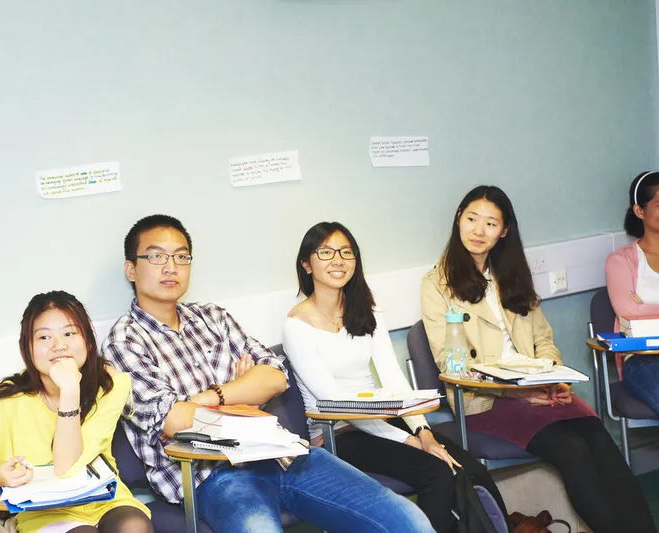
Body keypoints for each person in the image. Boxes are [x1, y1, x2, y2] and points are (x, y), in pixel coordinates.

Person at [102, 214, 433, 533]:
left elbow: (275, 376)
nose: (171, 267)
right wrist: (243, 394)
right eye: (156, 256)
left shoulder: (212, 317)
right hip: (213, 476)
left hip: (285, 455)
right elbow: (172, 420)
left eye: (181, 256)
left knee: (408, 520)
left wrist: (210, 397)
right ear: (131, 269)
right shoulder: (124, 341)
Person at [421, 185, 655, 533]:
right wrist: (516, 391)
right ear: (459, 220)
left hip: (536, 388)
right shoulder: (436, 284)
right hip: (485, 401)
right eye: (471, 219)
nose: (478, 230)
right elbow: (450, 364)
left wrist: (552, 377)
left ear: (504, 231)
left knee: (599, 438)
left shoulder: (511, 275)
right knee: (572, 448)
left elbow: (544, 340)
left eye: (490, 223)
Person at [282, 221, 508, 533]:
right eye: (326, 252)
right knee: (436, 473)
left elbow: (393, 379)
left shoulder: (367, 310)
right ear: (307, 264)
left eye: (346, 252)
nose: (338, 260)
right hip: (337, 435)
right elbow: (337, 404)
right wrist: (408, 440)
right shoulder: (296, 326)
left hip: (383, 422)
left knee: (468, 468)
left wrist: (423, 432)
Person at [0, 291, 152, 533]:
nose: (59, 346)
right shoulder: (7, 401)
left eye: (69, 333)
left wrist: (69, 390)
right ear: (27, 349)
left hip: (104, 499)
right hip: (45, 514)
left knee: (134, 526)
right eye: (44, 337)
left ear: (87, 341)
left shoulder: (110, 385)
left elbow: (68, 464)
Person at [606, 170, 659, 413]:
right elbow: (628, 311)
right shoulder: (620, 261)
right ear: (640, 211)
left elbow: (639, 310)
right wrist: (637, 309)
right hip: (642, 358)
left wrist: (645, 307)